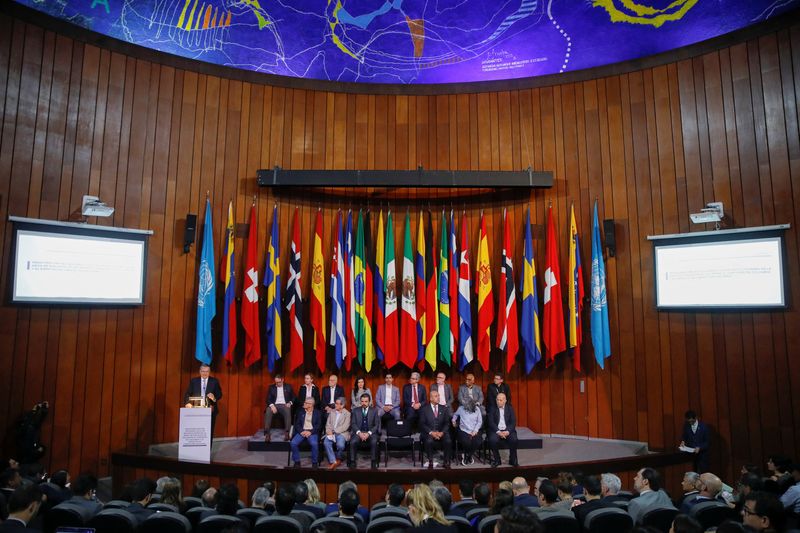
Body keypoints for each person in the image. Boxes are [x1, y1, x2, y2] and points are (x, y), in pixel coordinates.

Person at [183, 364, 223, 441]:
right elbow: (188, 393)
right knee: (196, 430)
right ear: (200, 371)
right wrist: (187, 402)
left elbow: (219, 394)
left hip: (210, 410)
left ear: (209, 372)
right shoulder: (194, 381)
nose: (205, 373)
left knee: (209, 431)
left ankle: (207, 451)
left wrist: (214, 397)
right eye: (203, 371)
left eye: (207, 371)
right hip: (196, 410)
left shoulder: (214, 381)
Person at [420, 390, 452, 469]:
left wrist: (442, 432)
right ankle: (430, 461)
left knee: (448, 441)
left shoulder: (444, 408)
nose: (438, 398)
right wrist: (431, 432)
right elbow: (422, 424)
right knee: (429, 441)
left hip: (442, 432)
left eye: (438, 396)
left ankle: (446, 461)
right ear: (431, 398)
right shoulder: (424, 409)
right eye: (436, 396)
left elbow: (447, 423)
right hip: (430, 432)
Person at [486, 392, 518, 467]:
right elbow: (491, 422)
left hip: (507, 430)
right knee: (493, 440)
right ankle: (497, 460)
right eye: (497, 400)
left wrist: (507, 431)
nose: (498, 402)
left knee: (514, 439)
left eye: (500, 400)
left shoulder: (510, 408)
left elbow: (513, 422)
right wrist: (498, 432)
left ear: (505, 401)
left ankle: (512, 460)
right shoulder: (492, 408)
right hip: (496, 430)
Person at [348, 393, 380, 469]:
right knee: (353, 441)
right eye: (362, 401)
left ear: (369, 402)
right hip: (359, 432)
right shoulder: (355, 410)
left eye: (366, 401)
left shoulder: (374, 410)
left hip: (370, 433)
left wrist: (368, 433)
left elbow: (376, 425)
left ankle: (373, 461)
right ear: (360, 402)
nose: (364, 403)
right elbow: (353, 423)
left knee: (374, 441)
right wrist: (359, 433)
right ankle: (352, 461)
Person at [290, 398, 322, 468]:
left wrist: (310, 432)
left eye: (306, 403)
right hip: (302, 431)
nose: (304, 404)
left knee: (314, 444)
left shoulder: (317, 413)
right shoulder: (300, 412)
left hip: (312, 432)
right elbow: (297, 424)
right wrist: (302, 431)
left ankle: (314, 462)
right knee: (293, 443)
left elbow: (318, 425)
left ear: (311, 405)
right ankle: (297, 461)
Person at [451, 397, 482, 466]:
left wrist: (475, 431)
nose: (463, 405)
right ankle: (468, 455)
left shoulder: (477, 409)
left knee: (478, 441)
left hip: (474, 430)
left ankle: (468, 455)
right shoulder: (461, 408)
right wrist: (453, 420)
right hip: (464, 430)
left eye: (465, 404)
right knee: (466, 442)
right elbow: (455, 415)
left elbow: (479, 421)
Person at [264, 373, 295, 442]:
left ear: (283, 380)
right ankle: (267, 434)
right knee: (268, 410)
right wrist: (272, 406)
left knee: (287, 410)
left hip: (284, 405)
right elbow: (268, 399)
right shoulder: (271, 387)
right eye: (276, 382)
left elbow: (294, 397)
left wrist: (290, 403)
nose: (277, 384)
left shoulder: (288, 387)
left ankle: (287, 433)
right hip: (275, 405)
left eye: (279, 382)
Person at [323, 397, 351, 470]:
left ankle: (338, 457)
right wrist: (328, 431)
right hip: (331, 433)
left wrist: (334, 431)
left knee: (341, 445)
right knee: (326, 442)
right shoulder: (332, 412)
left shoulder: (347, 414)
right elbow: (328, 424)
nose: (335, 405)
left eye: (337, 404)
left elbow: (345, 426)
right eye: (335, 403)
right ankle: (333, 461)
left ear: (342, 405)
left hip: (342, 433)